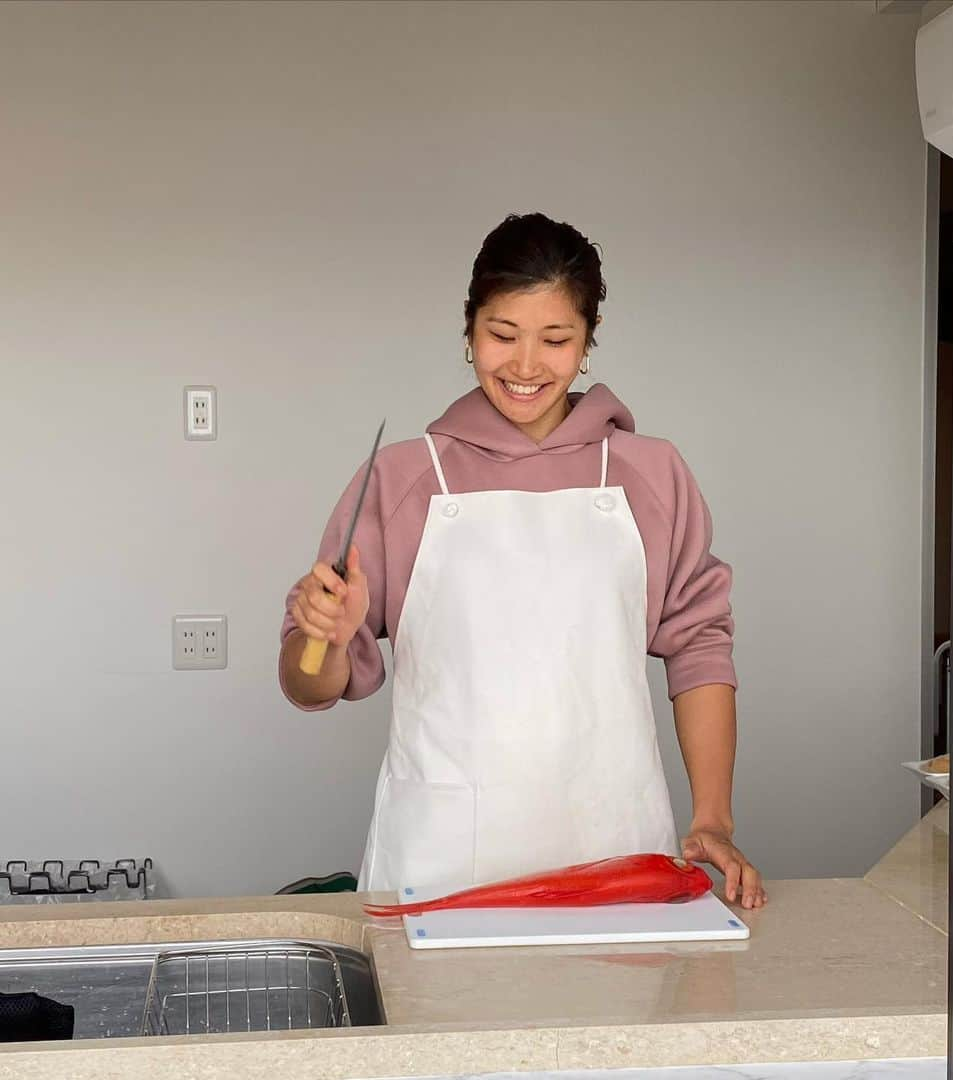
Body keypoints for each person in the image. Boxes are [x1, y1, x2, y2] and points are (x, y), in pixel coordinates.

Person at [279, 213, 766, 909]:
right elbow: (310, 686)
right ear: (469, 330)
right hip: (441, 862)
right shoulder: (404, 478)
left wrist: (713, 817)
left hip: (615, 851)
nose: (527, 365)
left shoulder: (649, 473)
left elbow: (700, 647)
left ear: (589, 341)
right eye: (502, 336)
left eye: (557, 339)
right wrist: (323, 635)